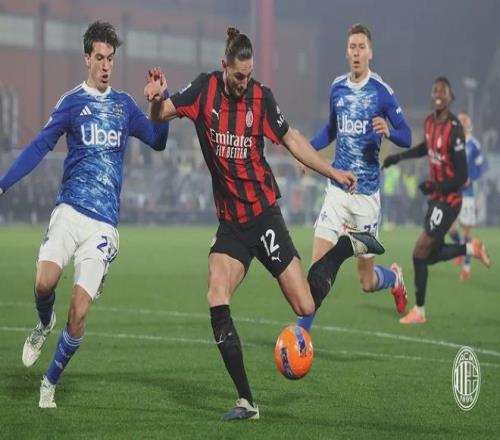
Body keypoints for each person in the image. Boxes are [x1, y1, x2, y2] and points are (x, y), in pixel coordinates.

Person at [144, 27, 383, 421]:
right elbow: (160, 115)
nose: (244, 83)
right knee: (216, 294)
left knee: (305, 304)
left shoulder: (261, 97)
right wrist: (155, 100)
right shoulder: (204, 90)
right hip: (231, 225)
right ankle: (247, 401)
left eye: (249, 75)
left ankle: (345, 246)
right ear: (224, 66)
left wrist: (332, 171)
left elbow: (292, 140)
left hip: (263, 216)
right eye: (239, 76)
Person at [0, 21, 170, 407]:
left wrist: (161, 102)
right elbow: (39, 146)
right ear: (87, 59)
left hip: (103, 225)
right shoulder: (72, 102)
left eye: (111, 58)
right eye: (100, 58)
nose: (106, 65)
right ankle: (44, 323)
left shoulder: (124, 106)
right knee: (44, 283)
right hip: (70, 210)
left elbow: (158, 141)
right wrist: (3, 183)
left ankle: (49, 383)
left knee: (78, 312)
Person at [296, 24, 412, 334]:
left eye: (362, 47)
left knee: (366, 281)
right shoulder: (337, 88)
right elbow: (330, 131)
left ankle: (394, 278)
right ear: (346, 52)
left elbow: (407, 135)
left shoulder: (381, 91)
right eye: (352, 47)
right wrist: (306, 150)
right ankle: (301, 336)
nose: (357, 52)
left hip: (366, 197)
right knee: (318, 264)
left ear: (370, 52)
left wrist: (390, 132)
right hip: (337, 190)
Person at [383, 76, 490, 324]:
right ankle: (470, 249)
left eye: (443, 91)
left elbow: (462, 176)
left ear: (450, 98)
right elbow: (426, 147)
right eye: (435, 91)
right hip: (437, 199)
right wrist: (398, 158)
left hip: (450, 200)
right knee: (428, 255)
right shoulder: (429, 123)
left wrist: (434, 185)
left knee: (420, 251)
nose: (438, 94)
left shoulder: (455, 128)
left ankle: (419, 311)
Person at [448, 111, 487, 281]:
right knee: (450, 229)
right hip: (454, 191)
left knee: (466, 231)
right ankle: (460, 248)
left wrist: (471, 179)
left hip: (468, 193)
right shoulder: (454, 143)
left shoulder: (474, 145)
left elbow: (481, 168)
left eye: (462, 122)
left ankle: (467, 265)